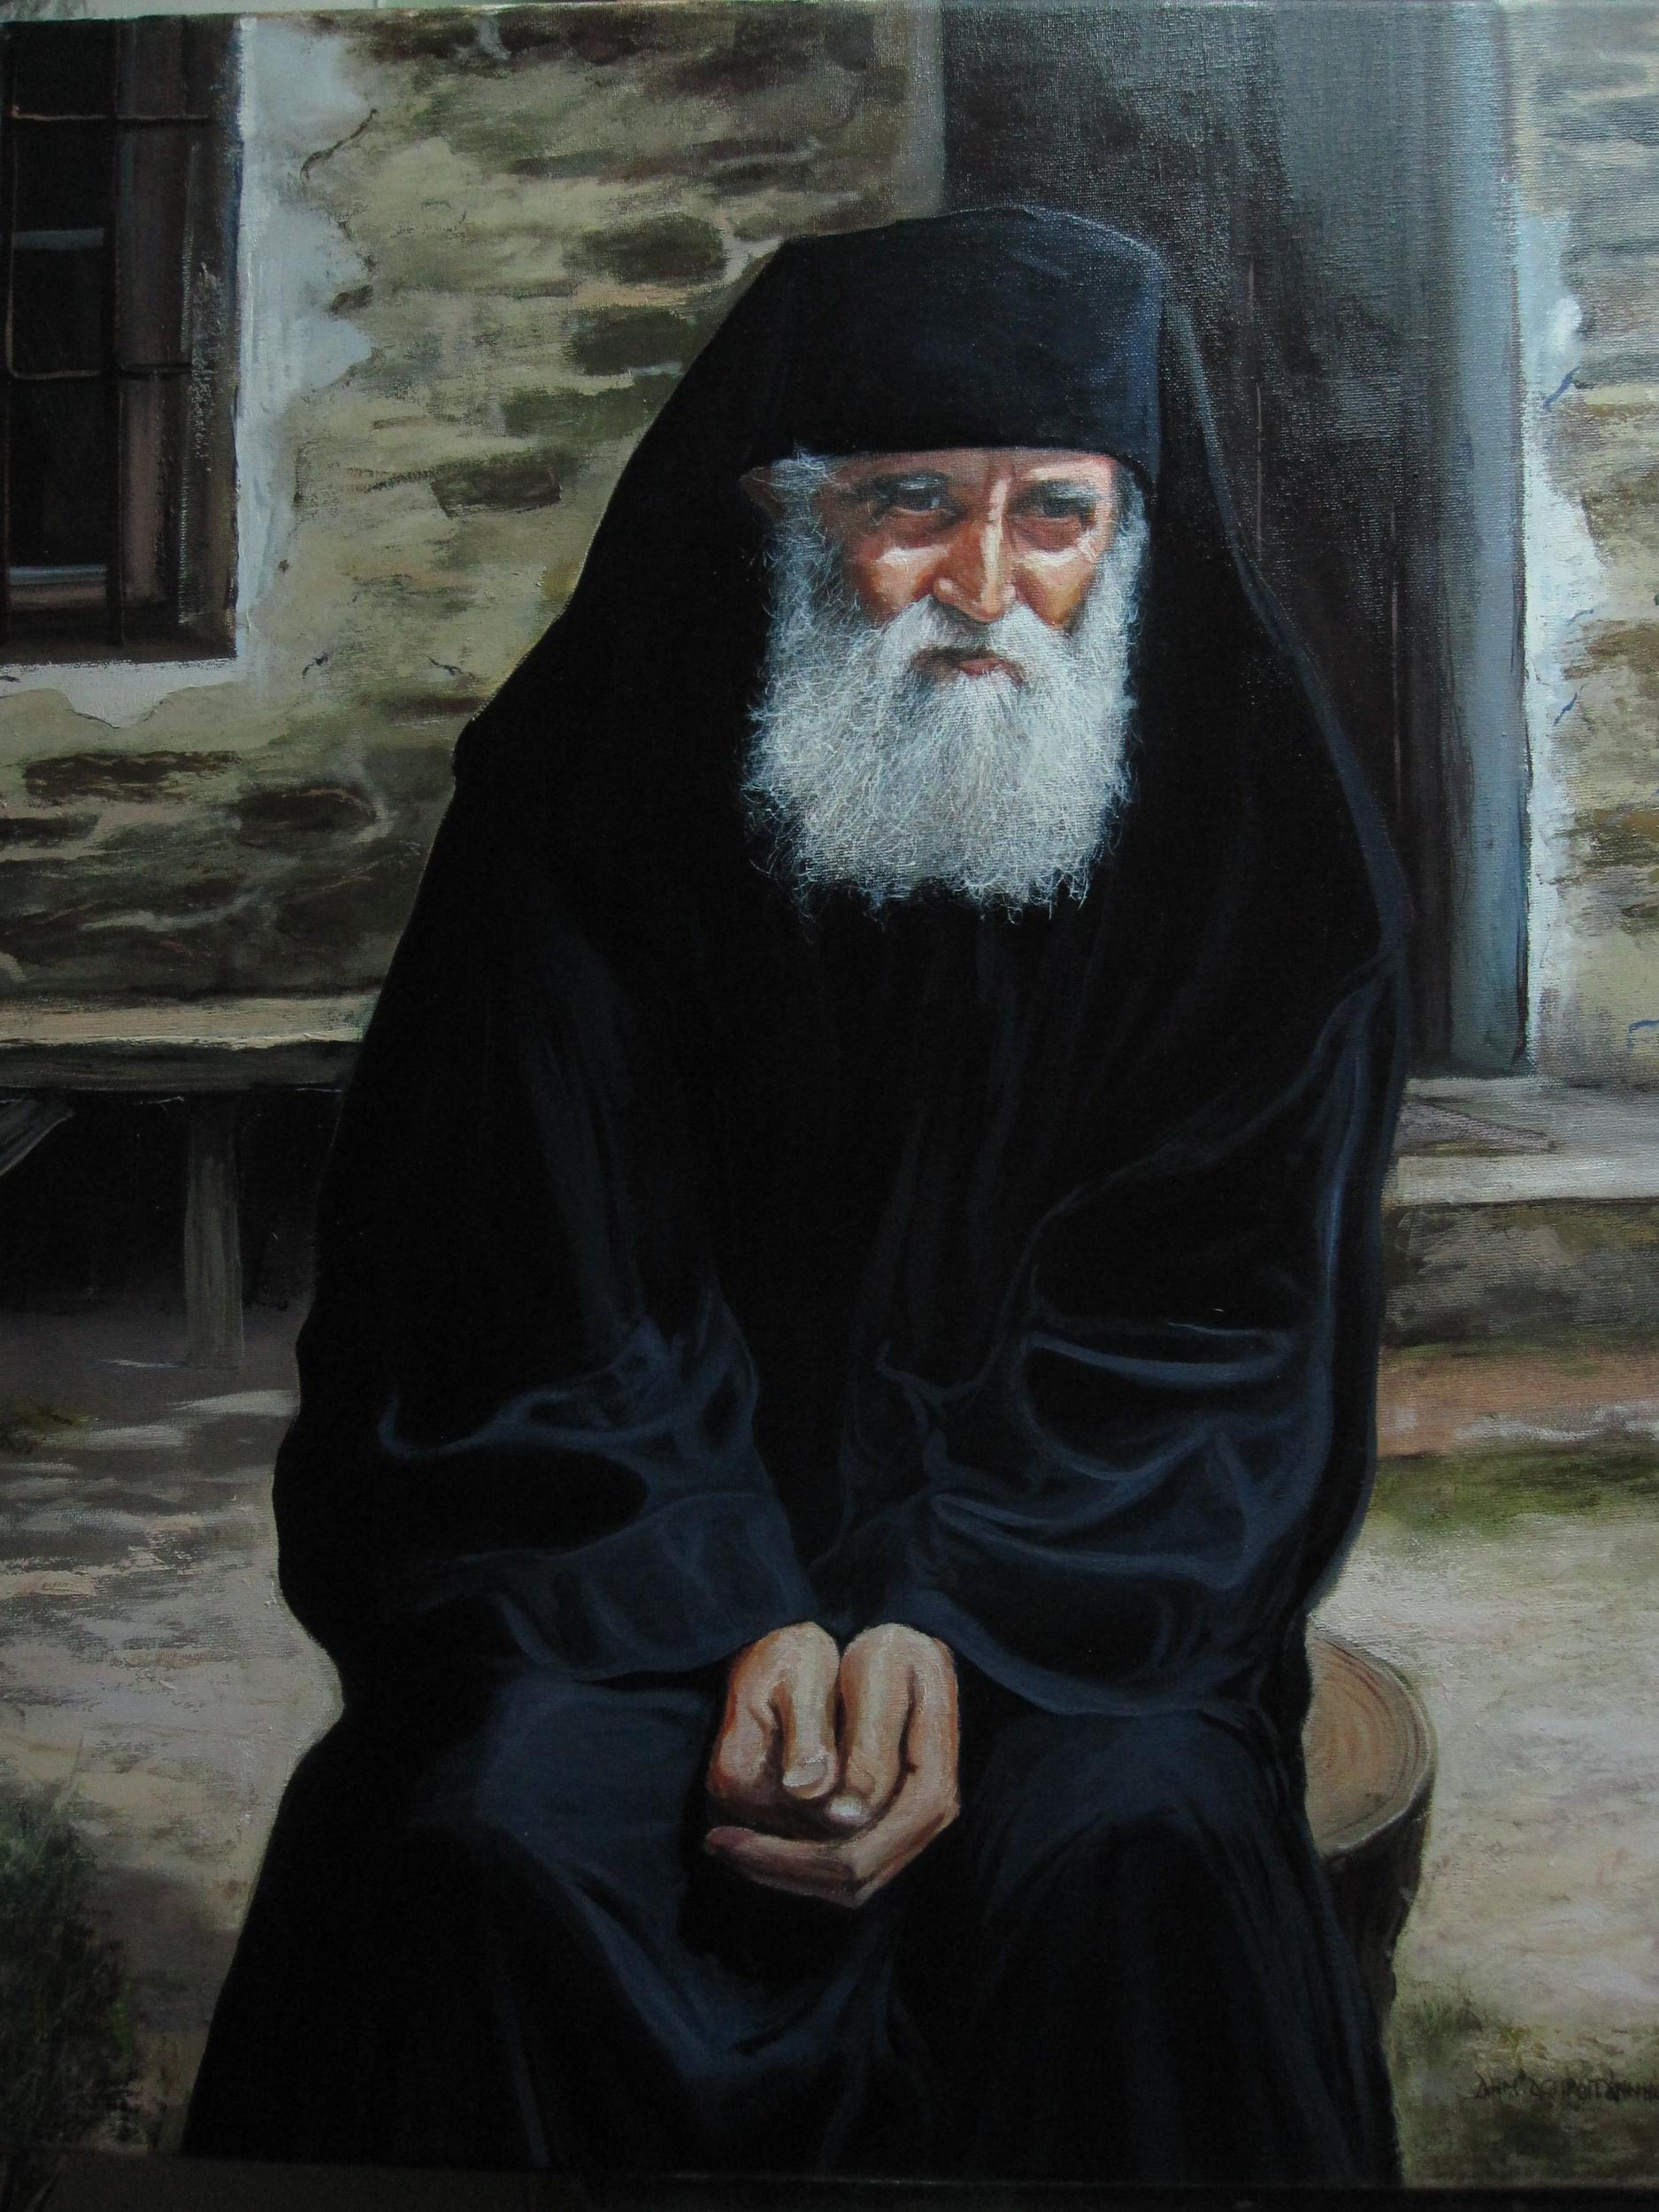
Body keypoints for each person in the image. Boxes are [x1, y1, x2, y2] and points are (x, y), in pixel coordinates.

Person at [182, 206, 1409, 2185]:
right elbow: (511, 1294)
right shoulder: (579, 807)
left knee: (1135, 1853)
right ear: (779, 510)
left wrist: (944, 1611)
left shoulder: (1252, 846)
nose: (983, 586)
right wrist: (728, 1603)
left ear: (1128, 538)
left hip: (1069, 1583)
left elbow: (1218, 1329)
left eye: (1055, 516)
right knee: (494, 1844)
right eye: (909, 503)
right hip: (623, 1571)